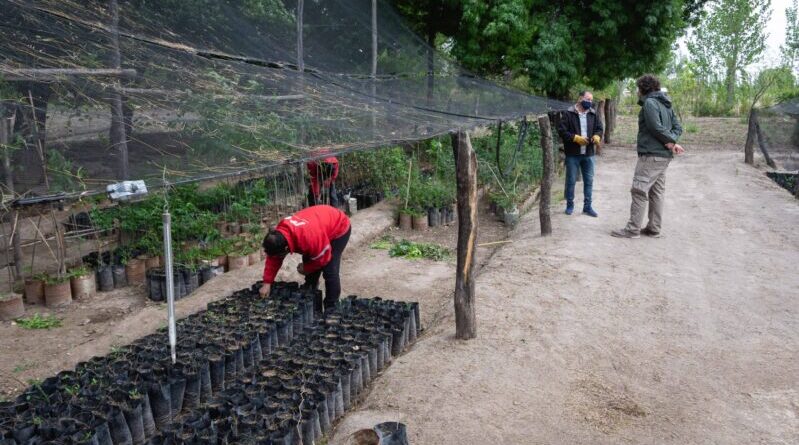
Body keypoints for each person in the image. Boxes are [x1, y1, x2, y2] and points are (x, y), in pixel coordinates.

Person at [612, 74, 684, 239]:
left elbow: (654, 127)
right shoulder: (666, 104)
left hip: (651, 156)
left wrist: (670, 142)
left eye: (638, 88)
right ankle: (653, 229)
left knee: (639, 190)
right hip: (662, 157)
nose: (637, 91)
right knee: (656, 192)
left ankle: (632, 229)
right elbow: (677, 127)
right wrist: (671, 140)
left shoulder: (650, 103)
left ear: (643, 88)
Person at [260, 204, 351, 309]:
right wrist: (267, 282)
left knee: (330, 270)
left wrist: (307, 268)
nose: (277, 257)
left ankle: (331, 307)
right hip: (318, 226)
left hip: (339, 227)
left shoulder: (308, 237)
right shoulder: (280, 234)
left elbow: (323, 257)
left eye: (279, 255)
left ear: (285, 248)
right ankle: (311, 292)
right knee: (309, 257)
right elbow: (274, 258)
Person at [556, 91, 603, 217]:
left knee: (589, 180)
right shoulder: (568, 113)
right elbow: (561, 131)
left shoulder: (593, 114)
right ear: (580, 98)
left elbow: (599, 128)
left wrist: (597, 136)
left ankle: (587, 207)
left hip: (588, 153)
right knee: (571, 180)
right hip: (573, 154)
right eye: (588, 99)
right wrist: (575, 138)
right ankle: (569, 205)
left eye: (591, 100)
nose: (590, 102)